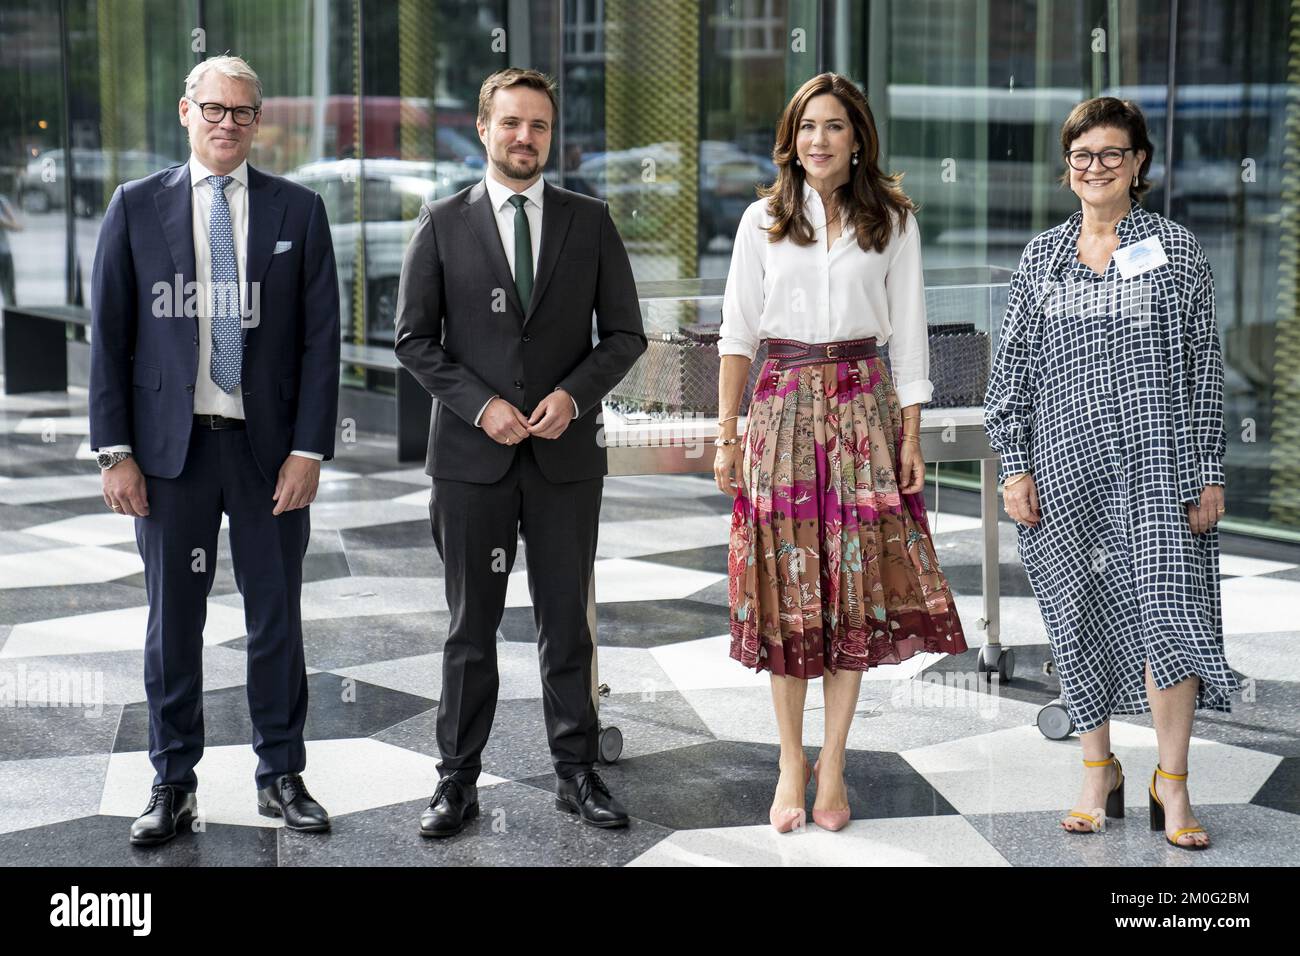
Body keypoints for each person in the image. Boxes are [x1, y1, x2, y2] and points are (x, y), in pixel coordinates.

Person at [89, 54, 341, 846]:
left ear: (258, 122)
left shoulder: (297, 211)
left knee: (276, 619)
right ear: (184, 111)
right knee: (174, 624)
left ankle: (281, 774)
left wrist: (309, 450)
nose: (227, 123)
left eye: (242, 112)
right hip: (171, 457)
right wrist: (113, 452)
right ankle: (172, 782)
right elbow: (111, 340)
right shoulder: (134, 208)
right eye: (214, 108)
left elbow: (321, 343)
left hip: (268, 456)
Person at [395, 68, 647, 838]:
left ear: (550, 134)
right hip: (473, 464)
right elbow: (413, 339)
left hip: (566, 461)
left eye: (537, 125)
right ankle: (456, 782)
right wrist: (481, 406)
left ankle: (577, 774)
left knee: (567, 623)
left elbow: (626, 335)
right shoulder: (441, 222)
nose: (524, 138)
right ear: (483, 128)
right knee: (471, 628)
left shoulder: (589, 220)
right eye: (511, 123)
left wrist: (573, 396)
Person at [715, 73, 967, 834]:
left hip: (864, 408)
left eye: (833, 126)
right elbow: (736, 335)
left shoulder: (892, 221)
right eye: (805, 127)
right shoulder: (761, 220)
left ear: (858, 138)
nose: (817, 140)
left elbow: (913, 328)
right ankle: (791, 759)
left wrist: (912, 431)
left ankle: (836, 759)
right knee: (789, 582)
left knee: (853, 586)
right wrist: (724, 434)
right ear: (790, 140)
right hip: (780, 408)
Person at [984, 96, 1238, 850]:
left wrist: (1208, 471)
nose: (1096, 168)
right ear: (1068, 171)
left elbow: (1203, 370)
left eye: (1112, 155)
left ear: (1139, 167)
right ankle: (1098, 772)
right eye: (1082, 156)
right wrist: (1016, 466)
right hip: (1065, 473)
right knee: (1078, 615)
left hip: (1160, 469)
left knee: (1169, 615)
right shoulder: (1043, 258)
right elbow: (1013, 375)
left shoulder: (1176, 251)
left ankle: (1173, 782)